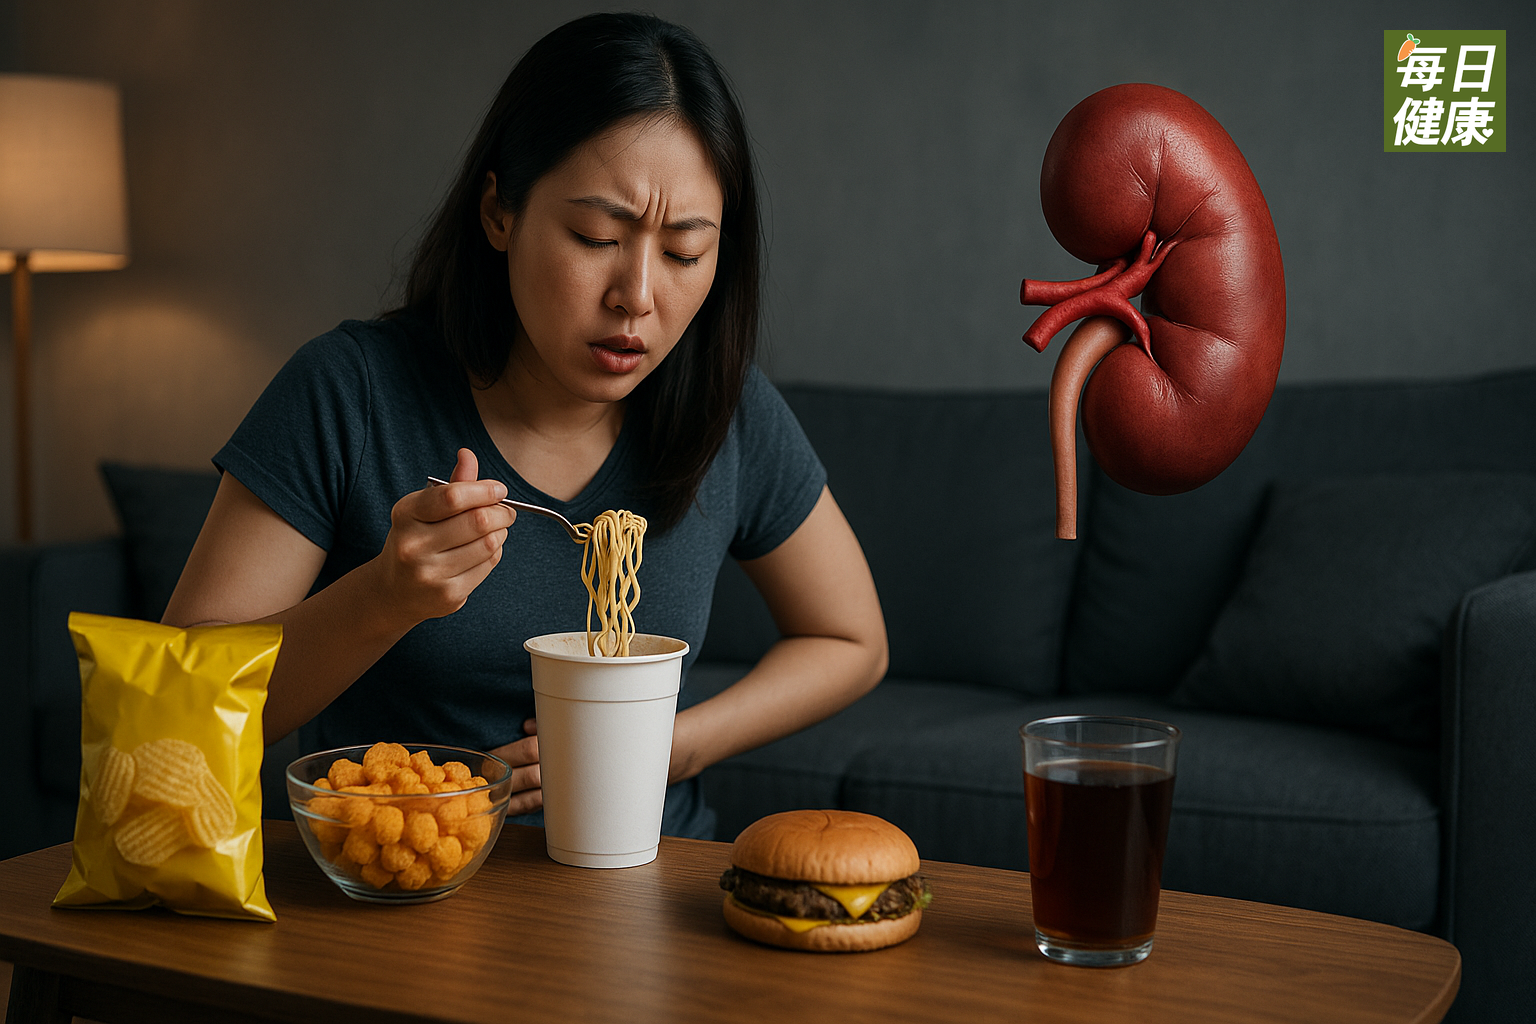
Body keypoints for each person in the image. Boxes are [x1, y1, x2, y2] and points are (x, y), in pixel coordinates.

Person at [163, 12, 887, 840]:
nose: (637, 296)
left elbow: (851, 638)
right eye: (596, 237)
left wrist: (673, 747)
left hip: (649, 881)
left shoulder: (728, 408)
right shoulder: (352, 390)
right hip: (402, 883)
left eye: (686, 252)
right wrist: (383, 598)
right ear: (500, 212)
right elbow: (181, 710)